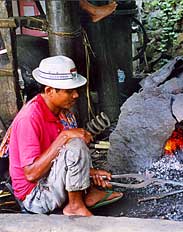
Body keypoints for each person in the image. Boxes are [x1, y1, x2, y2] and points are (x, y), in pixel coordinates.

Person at [8, 55, 122, 216]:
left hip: (50, 180)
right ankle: (75, 205)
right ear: (49, 91)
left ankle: (88, 193)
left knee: (77, 141)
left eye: (75, 90)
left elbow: (65, 160)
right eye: (69, 91)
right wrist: (64, 137)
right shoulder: (30, 118)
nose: (76, 95)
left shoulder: (64, 113)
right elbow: (31, 174)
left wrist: (90, 172)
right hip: (36, 195)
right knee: (74, 142)